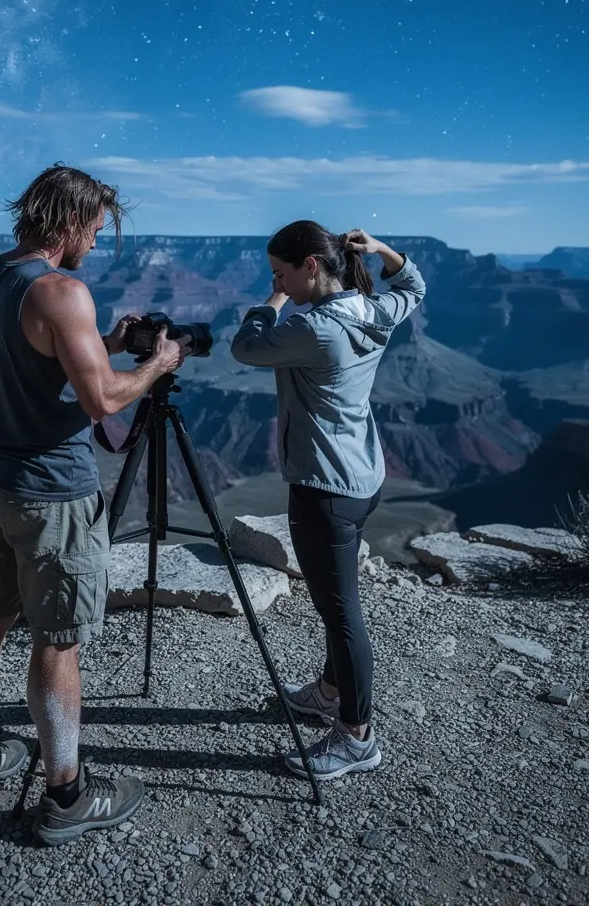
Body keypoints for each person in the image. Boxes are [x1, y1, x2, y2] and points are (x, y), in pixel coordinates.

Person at [0, 163, 188, 846]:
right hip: (50, 494)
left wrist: (103, 344)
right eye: (97, 230)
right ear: (72, 222)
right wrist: (156, 364)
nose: (96, 244)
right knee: (57, 640)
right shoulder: (60, 290)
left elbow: (22, 356)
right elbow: (104, 400)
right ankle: (67, 795)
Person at [230, 221, 426, 782]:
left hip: (325, 487)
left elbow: (246, 348)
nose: (278, 281)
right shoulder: (371, 310)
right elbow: (412, 289)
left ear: (310, 267)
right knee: (335, 603)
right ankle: (329, 691)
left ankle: (357, 736)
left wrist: (270, 301)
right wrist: (385, 248)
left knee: (340, 613)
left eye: (282, 272)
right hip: (362, 476)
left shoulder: (314, 329)